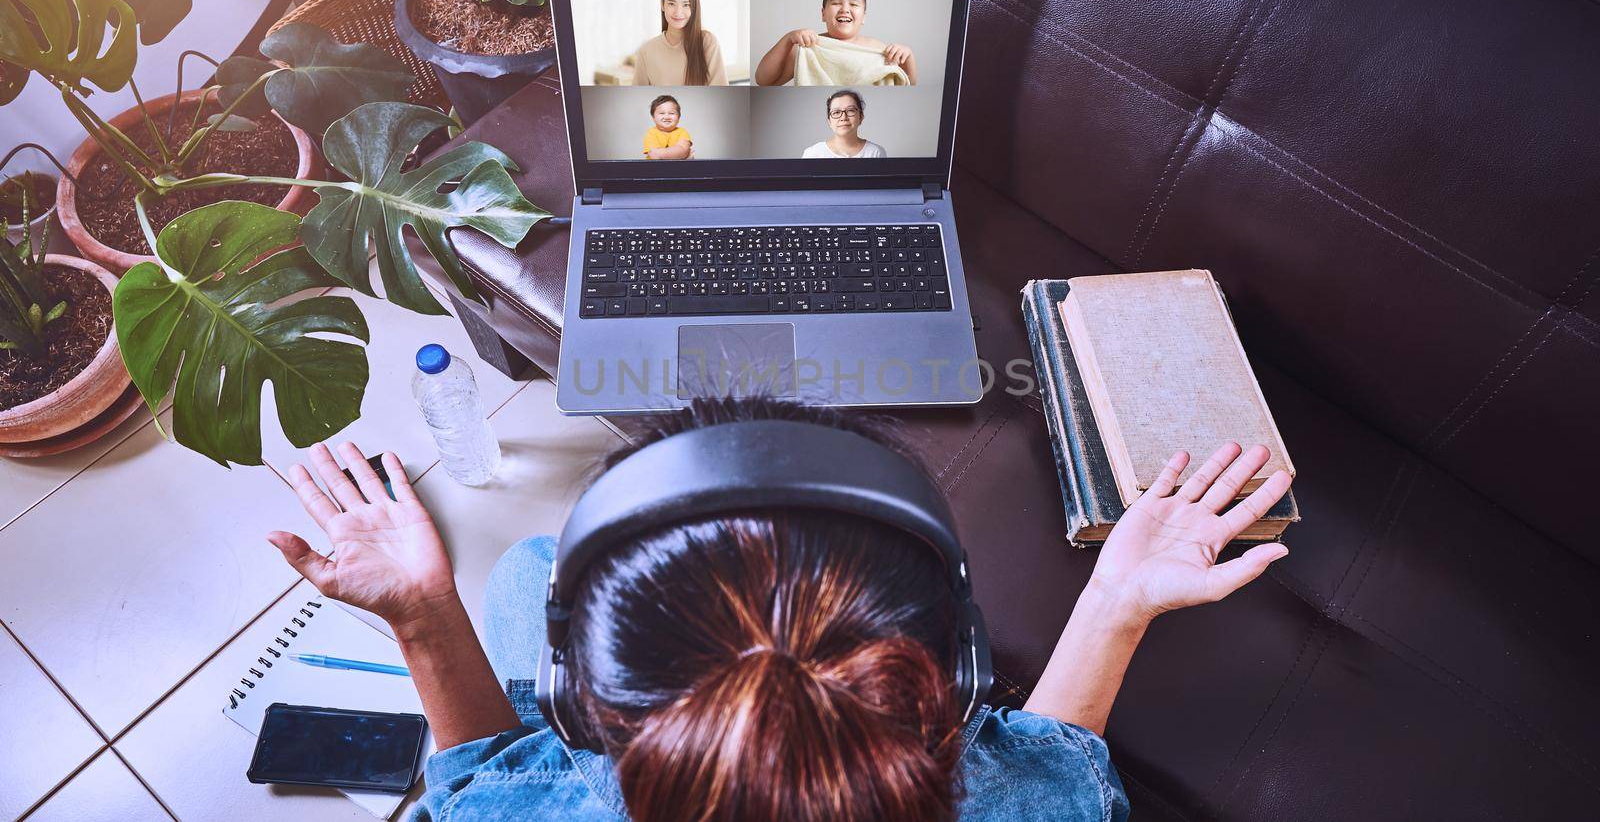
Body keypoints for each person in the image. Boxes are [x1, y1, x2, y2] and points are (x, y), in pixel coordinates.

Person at [267, 399, 1292, 821]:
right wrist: (1113, 599)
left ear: (579, 704)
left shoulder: (537, 808)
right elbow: (1054, 767)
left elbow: (481, 784)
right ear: (964, 670)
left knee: (528, 562)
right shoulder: (1032, 804)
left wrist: (421, 614)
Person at [755, 0, 918, 86]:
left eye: (854, 5)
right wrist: (787, 40)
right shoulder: (809, 47)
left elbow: (908, 86)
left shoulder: (878, 49)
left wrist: (908, 57)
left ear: (863, 17)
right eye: (836, 3)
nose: (845, 9)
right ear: (823, 14)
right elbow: (764, 81)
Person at [630, 0, 727, 87]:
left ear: (694, 7)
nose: (678, 12)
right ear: (662, 5)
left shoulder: (707, 42)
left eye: (686, 5)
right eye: (671, 4)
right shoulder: (646, 51)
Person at [803, 89, 887, 159]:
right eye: (836, 112)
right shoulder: (812, 154)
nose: (843, 117)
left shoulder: (876, 153)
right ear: (829, 122)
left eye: (850, 110)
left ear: (861, 117)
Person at [641, 94, 692, 160]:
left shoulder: (682, 132)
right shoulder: (651, 133)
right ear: (653, 117)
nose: (667, 117)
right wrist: (681, 156)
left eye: (671, 113)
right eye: (662, 113)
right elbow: (653, 155)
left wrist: (659, 154)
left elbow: (683, 150)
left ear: (679, 117)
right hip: (654, 168)